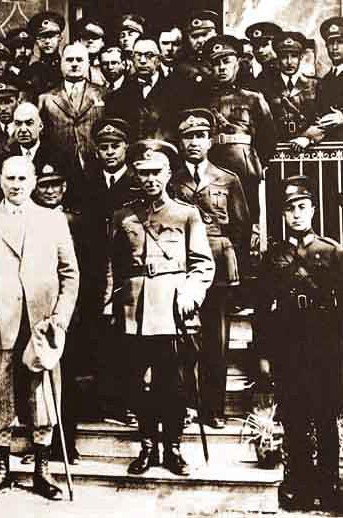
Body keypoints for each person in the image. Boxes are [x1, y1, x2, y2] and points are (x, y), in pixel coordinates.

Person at [0, 156, 79, 502]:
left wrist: (60, 317)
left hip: (43, 324)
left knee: (43, 398)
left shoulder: (53, 220)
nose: (16, 184)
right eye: (10, 178)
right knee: (0, 396)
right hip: (0, 322)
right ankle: (1, 470)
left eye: (23, 178)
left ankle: (42, 470)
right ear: (0, 180)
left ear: (34, 181)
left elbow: (70, 273)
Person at [107, 140, 214, 476]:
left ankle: (173, 447)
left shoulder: (186, 214)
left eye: (156, 172)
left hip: (171, 308)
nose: (150, 179)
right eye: (143, 173)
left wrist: (190, 294)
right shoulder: (123, 216)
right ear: (136, 175)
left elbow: (202, 264)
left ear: (168, 174)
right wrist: (110, 304)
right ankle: (147, 446)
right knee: (138, 382)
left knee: (172, 383)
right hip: (134, 310)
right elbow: (112, 266)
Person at [255, 176, 343, 511]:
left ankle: (330, 485)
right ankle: (299, 486)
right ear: (283, 214)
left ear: (313, 210)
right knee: (294, 418)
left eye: (302, 207)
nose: (296, 214)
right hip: (288, 347)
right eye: (290, 209)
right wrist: (263, 356)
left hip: (325, 346)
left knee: (325, 418)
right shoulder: (273, 257)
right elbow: (262, 310)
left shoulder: (332, 252)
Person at [169, 109, 250, 429]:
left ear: (210, 140)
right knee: (182, 340)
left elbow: (242, 226)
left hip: (217, 266)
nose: (194, 142)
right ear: (180, 141)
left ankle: (213, 409)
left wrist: (228, 257)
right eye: (188, 136)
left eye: (200, 136)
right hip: (180, 265)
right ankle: (185, 406)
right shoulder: (172, 180)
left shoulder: (228, 179)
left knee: (216, 341)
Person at [82, 118, 137, 423]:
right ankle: (100, 401)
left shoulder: (136, 183)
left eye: (115, 146)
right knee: (98, 336)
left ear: (126, 147)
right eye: (104, 147)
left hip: (127, 271)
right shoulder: (87, 183)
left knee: (126, 338)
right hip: (93, 270)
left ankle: (125, 401)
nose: (110, 152)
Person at [31, 162, 86, 464]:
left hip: (70, 310)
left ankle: (67, 442)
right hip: (37, 310)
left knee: (68, 377)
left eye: (55, 184)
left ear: (64, 188)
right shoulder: (30, 220)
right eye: (44, 185)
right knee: (36, 377)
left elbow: (88, 266)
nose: (50, 190)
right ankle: (39, 444)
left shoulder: (77, 221)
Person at [201, 34, 276, 228]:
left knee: (246, 221)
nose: (221, 67)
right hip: (213, 166)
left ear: (237, 63)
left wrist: (254, 163)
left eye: (226, 61)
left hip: (243, 167)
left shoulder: (253, 98)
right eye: (216, 63)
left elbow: (268, 137)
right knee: (215, 221)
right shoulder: (202, 100)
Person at [38, 42, 105, 188]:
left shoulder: (104, 94)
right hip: (59, 171)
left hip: (97, 169)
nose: (74, 64)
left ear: (88, 63)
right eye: (69, 60)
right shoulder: (46, 98)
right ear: (61, 63)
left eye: (79, 60)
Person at [105, 38, 177, 142]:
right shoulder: (117, 97)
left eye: (149, 55)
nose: (142, 61)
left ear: (159, 59)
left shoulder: (176, 92)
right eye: (138, 55)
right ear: (132, 59)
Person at [291, 17, 343, 151]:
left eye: (340, 42)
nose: (335, 48)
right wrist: (308, 137)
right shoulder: (325, 80)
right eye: (330, 43)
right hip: (330, 152)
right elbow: (321, 118)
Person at [261, 32, 318, 142]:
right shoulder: (267, 87)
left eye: (294, 56)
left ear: (301, 57)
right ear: (277, 59)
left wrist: (308, 138)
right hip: (278, 147)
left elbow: (323, 119)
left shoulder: (315, 85)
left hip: (308, 146)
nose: (289, 62)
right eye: (284, 57)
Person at [26, 11, 65, 95]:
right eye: (42, 37)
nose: (47, 41)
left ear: (60, 38)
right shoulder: (32, 70)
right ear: (36, 41)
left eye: (51, 36)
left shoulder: (66, 65)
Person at [245, 22, 282, 89]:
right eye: (255, 47)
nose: (260, 50)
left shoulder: (287, 75)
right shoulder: (261, 79)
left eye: (264, 45)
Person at [77, 18, 107, 86]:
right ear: (79, 40)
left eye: (95, 37)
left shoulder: (108, 66)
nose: (90, 41)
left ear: (103, 42)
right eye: (86, 36)